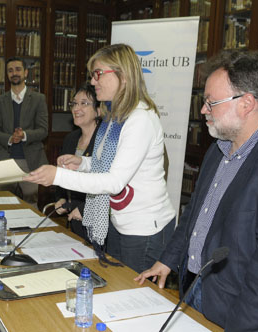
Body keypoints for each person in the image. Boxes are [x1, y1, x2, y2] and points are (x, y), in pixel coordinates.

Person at [135, 51, 258, 331]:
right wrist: (167, 260)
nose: (203, 110)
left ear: (246, 104)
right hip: (199, 293)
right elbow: (196, 214)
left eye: (211, 102)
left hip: (244, 315)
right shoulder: (220, 148)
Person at [25, 44, 176, 273]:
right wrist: (82, 163)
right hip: (118, 221)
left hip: (144, 228)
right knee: (116, 284)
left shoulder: (140, 119)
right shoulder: (114, 116)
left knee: (132, 298)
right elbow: (106, 164)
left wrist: (59, 176)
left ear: (122, 76)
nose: (93, 82)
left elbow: (114, 182)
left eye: (98, 74)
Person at [0, 56, 48, 205]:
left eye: (18, 69)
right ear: (7, 75)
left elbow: (43, 130)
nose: (14, 73)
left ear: (26, 73)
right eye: (10, 70)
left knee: (31, 202)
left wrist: (24, 135)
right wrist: (9, 138)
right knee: (4, 202)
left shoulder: (38, 99)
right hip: (6, 160)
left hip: (30, 161)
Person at [54, 83, 101, 242]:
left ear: (98, 109)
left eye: (84, 103)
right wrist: (61, 198)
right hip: (73, 220)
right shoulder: (70, 139)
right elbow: (63, 176)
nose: (76, 108)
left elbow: (105, 182)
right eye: (74, 103)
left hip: (97, 221)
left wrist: (84, 209)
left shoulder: (104, 140)